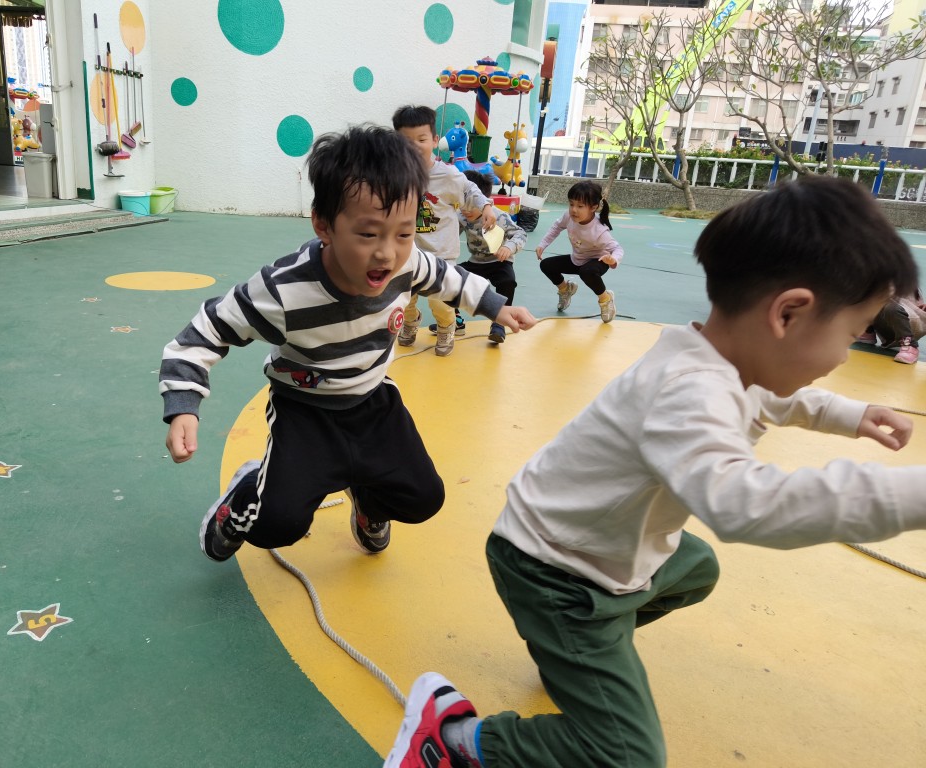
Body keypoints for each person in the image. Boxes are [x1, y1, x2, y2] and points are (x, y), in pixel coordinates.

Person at [384, 176, 925, 768]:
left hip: (591, 546)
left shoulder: (725, 360)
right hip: (553, 568)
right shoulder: (691, 391)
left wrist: (852, 415)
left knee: (696, 567)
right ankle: (453, 741)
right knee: (627, 757)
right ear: (788, 314)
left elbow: (776, 399)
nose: (846, 355)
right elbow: (747, 505)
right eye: (848, 335)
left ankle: (576, 659)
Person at [159, 125, 536, 564]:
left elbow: (444, 276)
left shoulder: (407, 262)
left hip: (373, 399)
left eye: (403, 233)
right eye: (368, 234)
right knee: (277, 524)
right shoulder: (284, 290)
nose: (387, 253)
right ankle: (243, 496)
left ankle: (369, 506)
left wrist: (495, 307)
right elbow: (204, 332)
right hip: (304, 409)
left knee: (424, 498)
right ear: (324, 224)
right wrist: (183, 404)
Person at [392, 104, 498, 356]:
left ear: (434, 140)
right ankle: (410, 320)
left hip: (441, 251)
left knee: (439, 299)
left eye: (421, 139)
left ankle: (446, 325)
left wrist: (486, 206)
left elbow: (470, 189)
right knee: (403, 295)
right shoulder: (394, 174)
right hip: (407, 249)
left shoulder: (447, 175)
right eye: (407, 141)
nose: (414, 146)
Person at [535, 180, 622, 323]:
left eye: (580, 206)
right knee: (546, 265)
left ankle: (606, 299)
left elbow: (617, 248)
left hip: (598, 261)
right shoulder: (568, 217)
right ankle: (565, 289)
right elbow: (557, 226)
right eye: (571, 204)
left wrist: (612, 259)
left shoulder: (599, 230)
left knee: (586, 272)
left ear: (593, 207)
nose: (574, 210)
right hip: (578, 259)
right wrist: (543, 244)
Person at [455, 169, 527, 344]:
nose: (465, 209)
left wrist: (508, 247)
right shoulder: (462, 216)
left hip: (499, 262)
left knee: (507, 281)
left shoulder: (499, 216)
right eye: (461, 203)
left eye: (471, 203)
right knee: (450, 277)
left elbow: (520, 233)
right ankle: (453, 321)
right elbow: (450, 234)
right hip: (476, 262)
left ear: (484, 202)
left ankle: (499, 324)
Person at [856, 288, 924, 364]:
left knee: (890, 306)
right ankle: (868, 331)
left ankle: (909, 345)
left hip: (908, 327)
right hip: (890, 325)